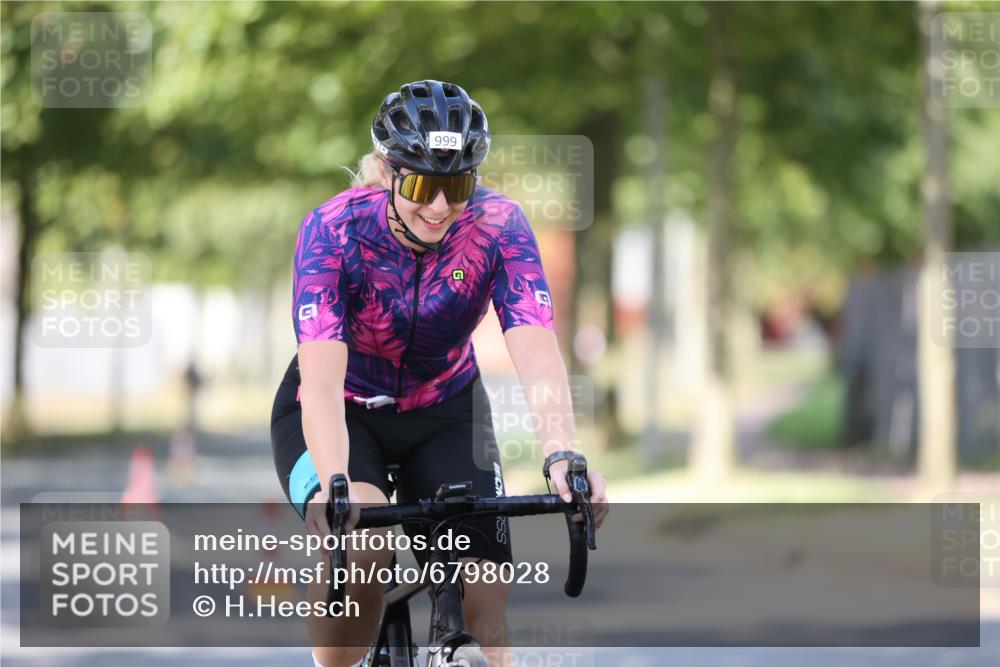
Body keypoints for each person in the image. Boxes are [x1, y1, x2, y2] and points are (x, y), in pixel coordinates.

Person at [270, 79, 609, 667]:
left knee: (488, 615)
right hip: (339, 410)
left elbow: (535, 349)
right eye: (423, 185)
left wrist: (561, 454)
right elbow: (321, 381)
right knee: (366, 545)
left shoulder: (498, 226)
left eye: (456, 186)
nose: (439, 207)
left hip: (446, 408)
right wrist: (335, 486)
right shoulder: (333, 231)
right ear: (386, 171)